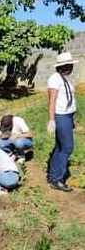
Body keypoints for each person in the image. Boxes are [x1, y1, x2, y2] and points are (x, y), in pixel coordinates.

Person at [46, 52, 79, 192]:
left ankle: (53, 176)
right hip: (60, 116)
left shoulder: (64, 79)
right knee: (67, 147)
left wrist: (72, 119)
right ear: (64, 66)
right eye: (70, 65)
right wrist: (52, 120)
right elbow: (52, 100)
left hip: (67, 116)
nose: (72, 67)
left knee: (60, 146)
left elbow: (67, 101)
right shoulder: (55, 79)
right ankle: (57, 179)